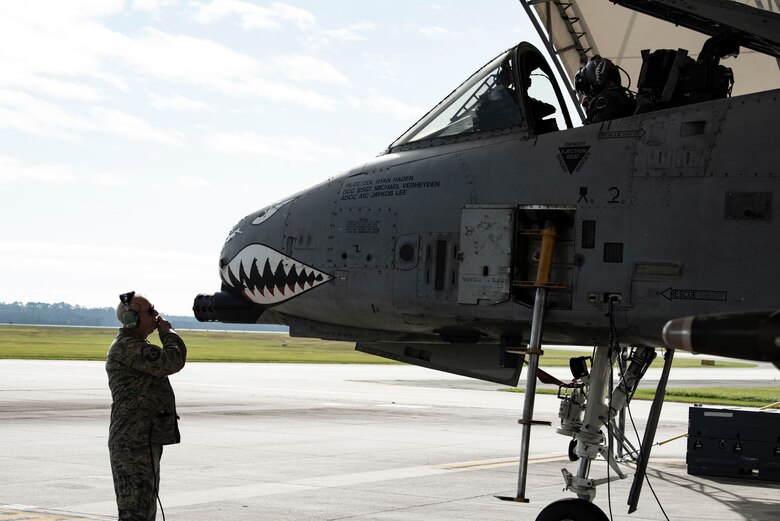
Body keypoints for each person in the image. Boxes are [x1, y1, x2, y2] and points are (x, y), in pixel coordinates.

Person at [106, 291, 187, 521]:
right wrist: (168, 333)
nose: (156, 315)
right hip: (132, 443)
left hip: (142, 440)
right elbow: (172, 361)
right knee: (135, 512)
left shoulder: (137, 345)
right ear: (131, 319)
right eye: (150, 311)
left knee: (145, 508)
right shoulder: (128, 347)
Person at [575, 55, 636, 124]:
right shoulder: (622, 95)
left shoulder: (606, 99)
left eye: (588, 91)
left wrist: (591, 113)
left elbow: (598, 130)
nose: (589, 96)